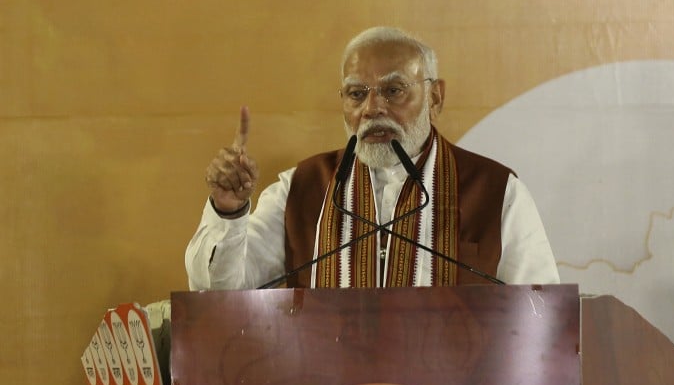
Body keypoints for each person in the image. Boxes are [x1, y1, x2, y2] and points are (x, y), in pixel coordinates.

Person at [186, 26, 559, 290]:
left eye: (393, 90)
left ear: (435, 97)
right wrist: (229, 212)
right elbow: (220, 289)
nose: (372, 108)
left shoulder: (496, 192)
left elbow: (542, 318)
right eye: (356, 94)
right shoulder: (302, 188)